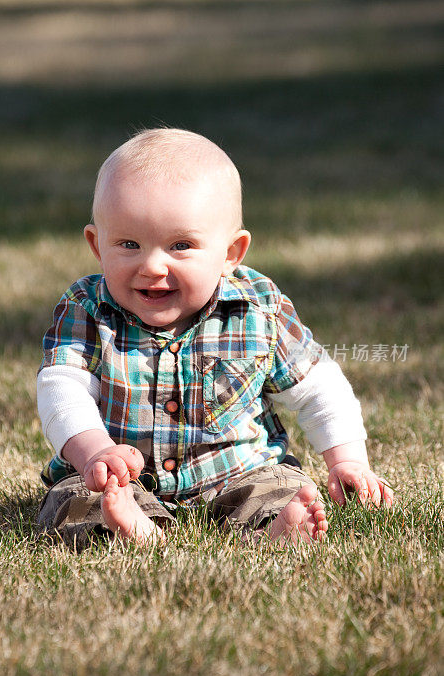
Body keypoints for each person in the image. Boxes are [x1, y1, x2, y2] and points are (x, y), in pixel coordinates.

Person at [36, 128, 393, 549]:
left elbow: (318, 387)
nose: (151, 266)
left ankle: (278, 527)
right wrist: (95, 452)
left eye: (180, 245)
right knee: (76, 499)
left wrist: (347, 459)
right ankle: (131, 526)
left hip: (236, 473)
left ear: (230, 254)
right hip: (119, 476)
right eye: (128, 244)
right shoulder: (87, 309)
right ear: (97, 246)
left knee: (276, 487)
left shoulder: (257, 310)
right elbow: (62, 388)